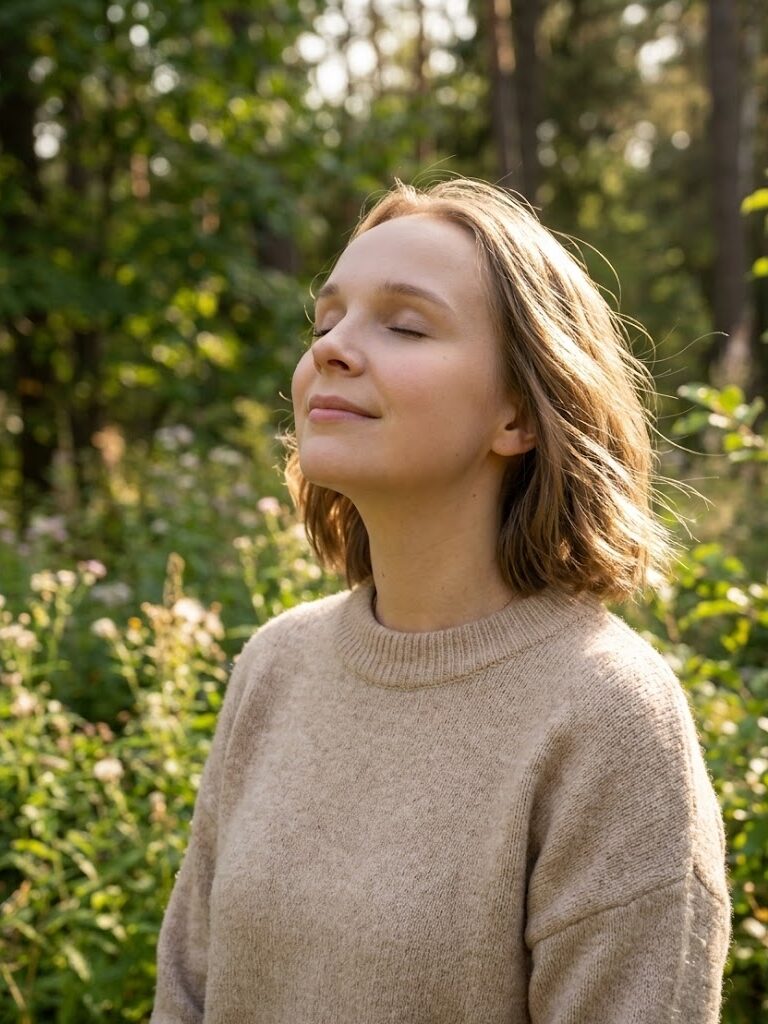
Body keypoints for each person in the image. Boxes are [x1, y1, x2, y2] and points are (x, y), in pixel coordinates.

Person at [150, 178, 731, 1023]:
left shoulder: (609, 714)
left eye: (405, 326)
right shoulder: (276, 665)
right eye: (325, 322)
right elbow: (185, 997)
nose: (333, 350)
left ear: (518, 414)